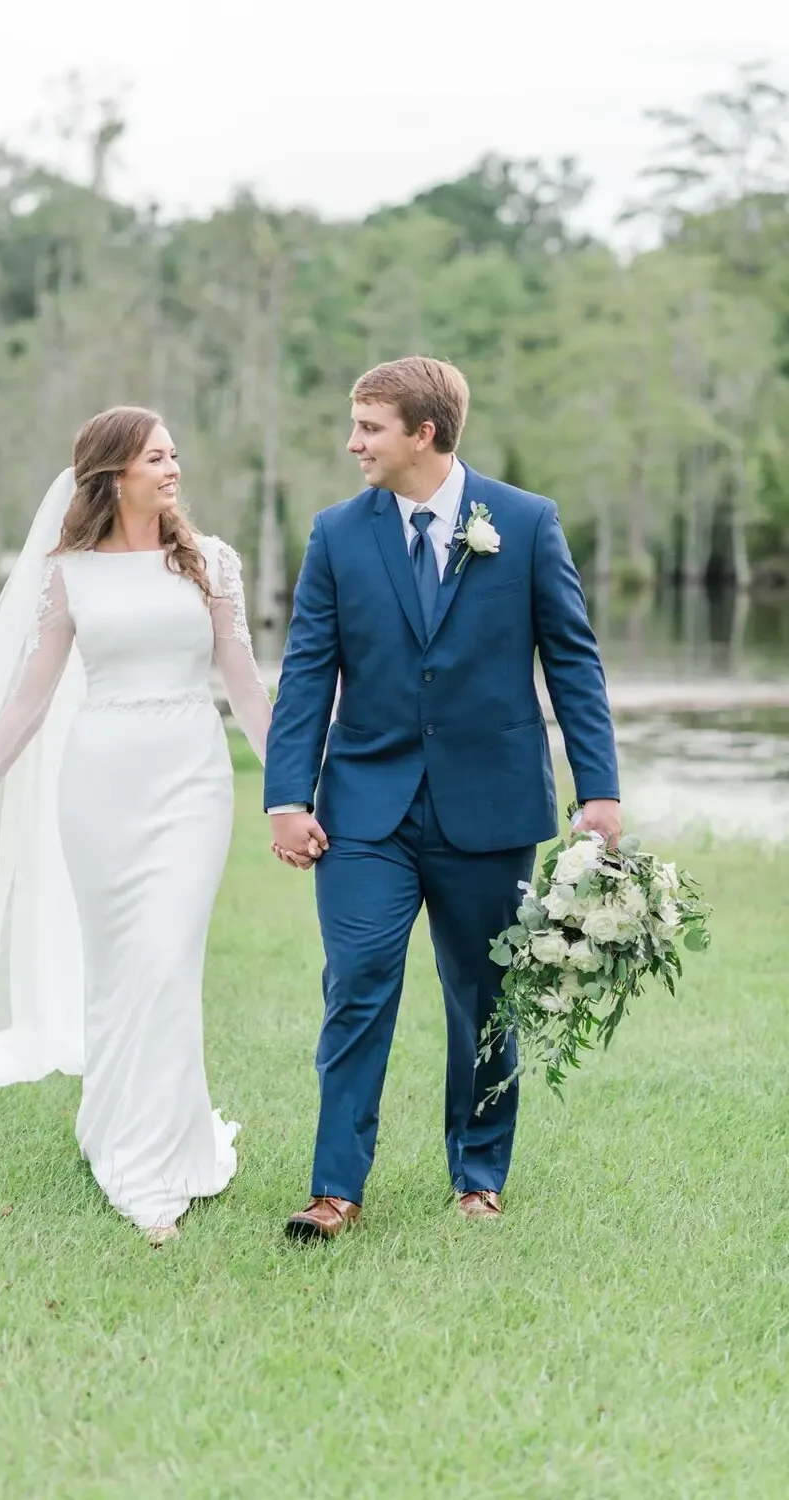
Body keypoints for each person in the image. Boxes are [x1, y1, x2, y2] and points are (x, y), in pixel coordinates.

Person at [0, 406, 272, 1246]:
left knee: (167, 958)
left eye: (174, 454)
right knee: (120, 967)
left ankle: (155, 1166)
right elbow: (28, 699)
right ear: (113, 474)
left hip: (193, 781)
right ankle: (117, 1131)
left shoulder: (212, 563)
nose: (173, 469)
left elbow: (245, 685)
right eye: (156, 458)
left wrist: (291, 790)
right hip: (100, 784)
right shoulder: (69, 574)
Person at [264, 356, 621, 1241]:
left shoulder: (526, 523)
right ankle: (335, 1189)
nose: (353, 443)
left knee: (485, 996)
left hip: (490, 806)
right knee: (357, 983)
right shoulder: (336, 535)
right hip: (364, 808)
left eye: (369, 428)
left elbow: (572, 661)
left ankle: (478, 1175)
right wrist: (287, 797)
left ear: (424, 433)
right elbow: (307, 670)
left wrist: (600, 792)